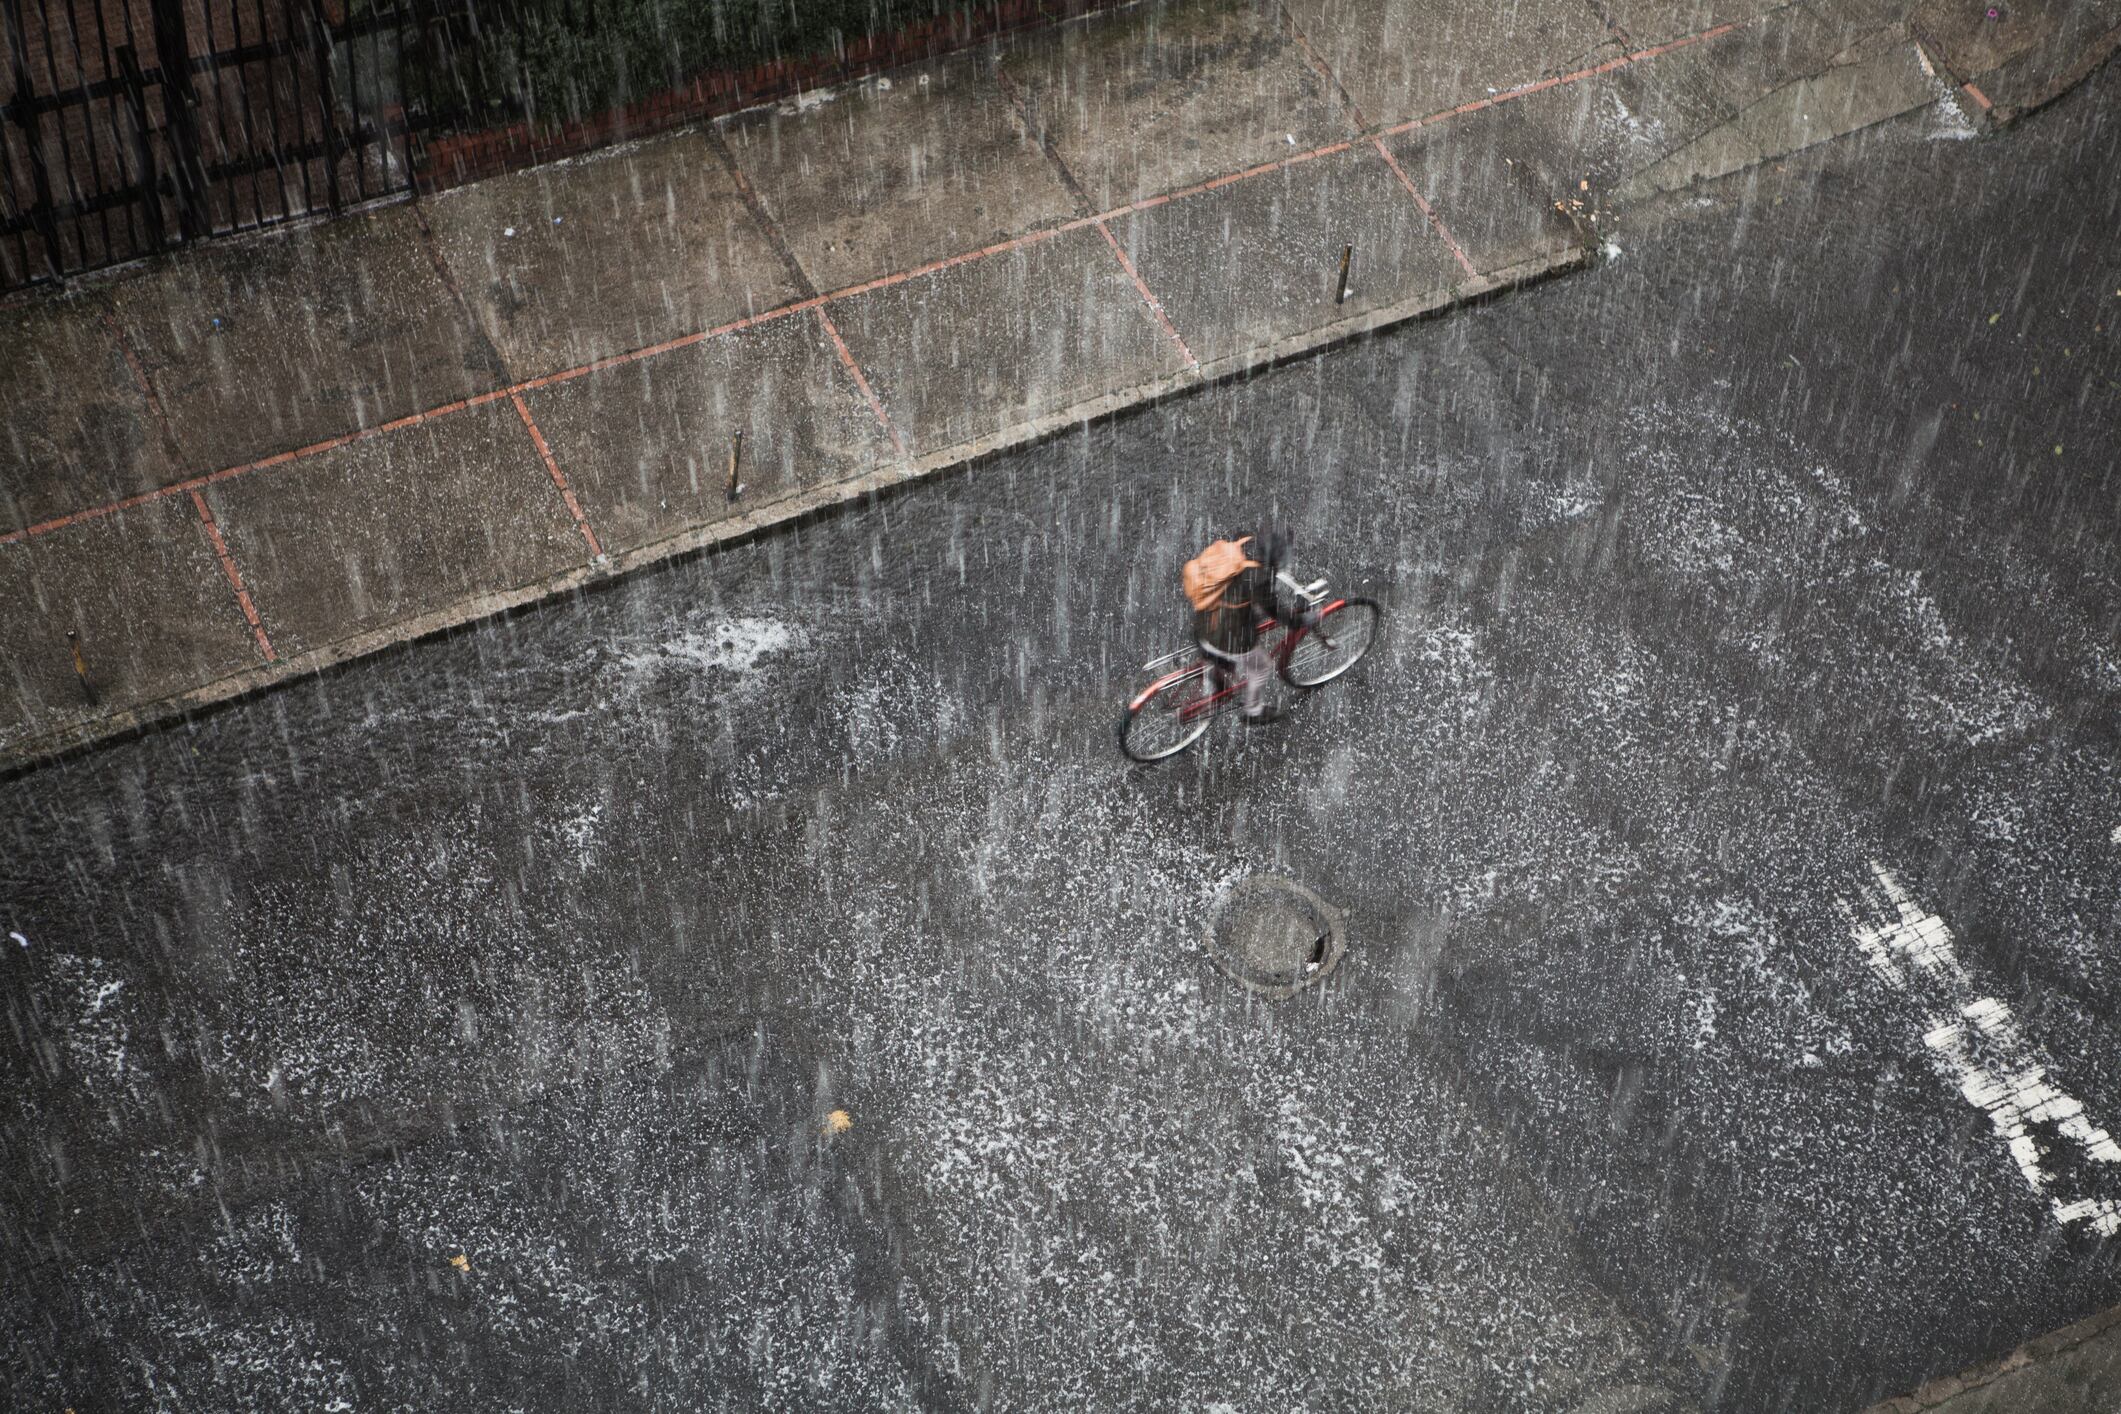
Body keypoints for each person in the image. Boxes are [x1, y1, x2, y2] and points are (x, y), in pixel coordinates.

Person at [1184, 527, 1312, 722]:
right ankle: (1253, 711)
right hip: (1224, 638)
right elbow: (1275, 611)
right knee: (1261, 667)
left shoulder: (1238, 550)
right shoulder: (1258, 579)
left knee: (1240, 618)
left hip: (1203, 624)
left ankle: (1214, 673)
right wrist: (1300, 621)